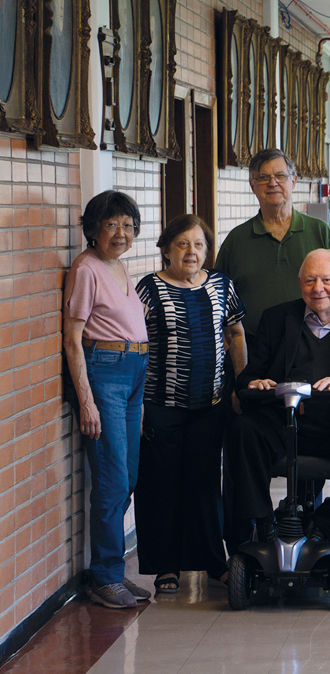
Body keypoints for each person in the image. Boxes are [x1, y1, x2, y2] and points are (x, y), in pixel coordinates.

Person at [226, 249, 330, 550]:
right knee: (243, 430)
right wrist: (255, 382)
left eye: (327, 280)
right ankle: (263, 524)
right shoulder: (276, 318)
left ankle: (327, 526)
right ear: (299, 283)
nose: (318, 288)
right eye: (310, 281)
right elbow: (248, 376)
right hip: (282, 422)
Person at [134, 215, 248, 594]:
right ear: (166, 249)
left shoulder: (221, 285)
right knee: (161, 483)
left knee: (203, 484)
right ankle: (164, 565)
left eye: (199, 245)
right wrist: (136, 403)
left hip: (210, 402)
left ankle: (213, 563)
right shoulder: (149, 289)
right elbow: (137, 345)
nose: (191, 252)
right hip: (160, 403)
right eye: (182, 244)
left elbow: (235, 333)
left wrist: (240, 386)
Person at [63, 191, 153, 609]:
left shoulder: (117, 266)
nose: (121, 234)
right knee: (113, 479)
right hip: (106, 374)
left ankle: (110, 571)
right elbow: (73, 337)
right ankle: (104, 576)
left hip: (133, 373)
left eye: (128, 226)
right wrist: (87, 401)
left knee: (129, 477)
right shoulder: (86, 269)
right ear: (94, 228)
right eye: (112, 224)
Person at [214, 148, 330, 344]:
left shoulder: (319, 231)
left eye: (280, 176)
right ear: (252, 185)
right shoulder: (236, 240)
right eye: (263, 177)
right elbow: (216, 301)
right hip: (254, 348)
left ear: (294, 181)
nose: (273, 183)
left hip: (314, 344)